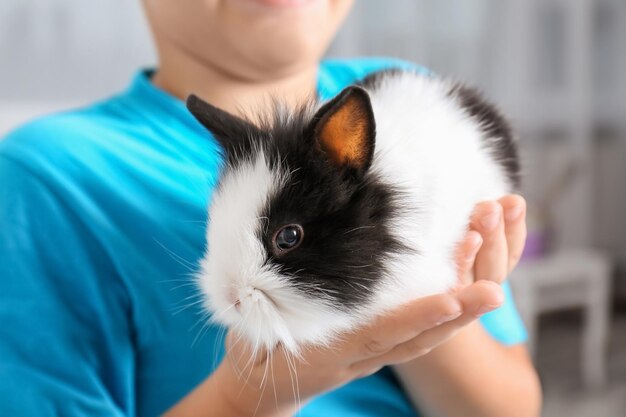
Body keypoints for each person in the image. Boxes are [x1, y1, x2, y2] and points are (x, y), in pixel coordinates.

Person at [0, 0, 541, 416]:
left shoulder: (408, 104)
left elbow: (513, 405)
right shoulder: (43, 178)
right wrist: (246, 396)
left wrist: (437, 300)